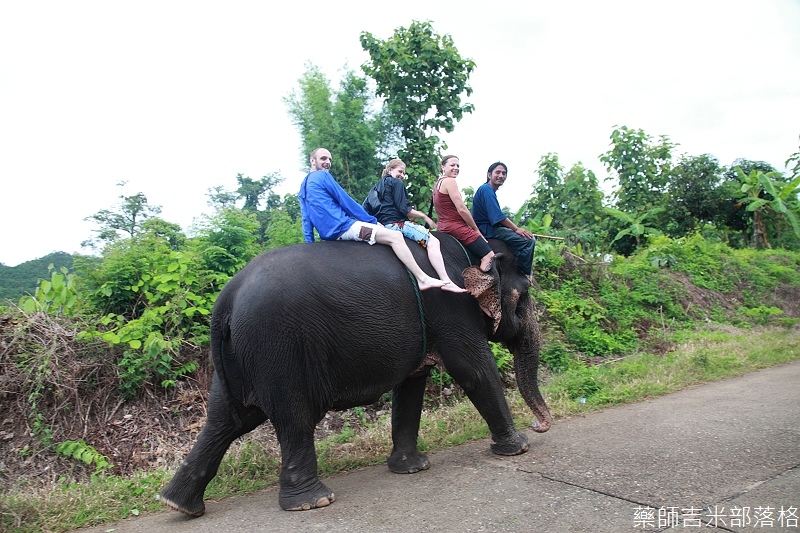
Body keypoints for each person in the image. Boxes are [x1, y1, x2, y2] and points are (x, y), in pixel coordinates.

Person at [298, 147, 448, 291]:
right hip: (345, 227)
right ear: (312, 160)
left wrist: (310, 246)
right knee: (395, 237)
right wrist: (372, 221)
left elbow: (306, 220)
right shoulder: (322, 176)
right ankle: (422, 279)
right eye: (323, 158)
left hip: (327, 234)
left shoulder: (303, 186)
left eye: (329, 159)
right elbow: (345, 201)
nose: (328, 162)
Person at [365, 158, 467, 293]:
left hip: (383, 226)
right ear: (390, 170)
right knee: (433, 241)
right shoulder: (396, 183)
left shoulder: (376, 187)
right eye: (400, 171)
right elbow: (404, 209)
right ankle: (446, 280)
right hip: (397, 224)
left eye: (403, 173)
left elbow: (365, 209)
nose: (401, 175)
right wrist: (424, 216)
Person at [432, 155, 495, 272]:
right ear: (442, 167)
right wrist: (475, 229)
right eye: (452, 165)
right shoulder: (450, 181)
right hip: (456, 227)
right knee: (489, 256)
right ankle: (478, 289)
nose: (456, 168)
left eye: (458, 165)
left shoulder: (438, 184)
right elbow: (461, 208)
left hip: (442, 226)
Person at [472, 161, 535, 275]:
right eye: (498, 172)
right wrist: (516, 229)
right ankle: (523, 273)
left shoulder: (487, 190)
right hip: (487, 230)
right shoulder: (487, 190)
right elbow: (497, 216)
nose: (501, 176)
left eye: (504, 173)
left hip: (488, 227)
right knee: (529, 241)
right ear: (489, 174)